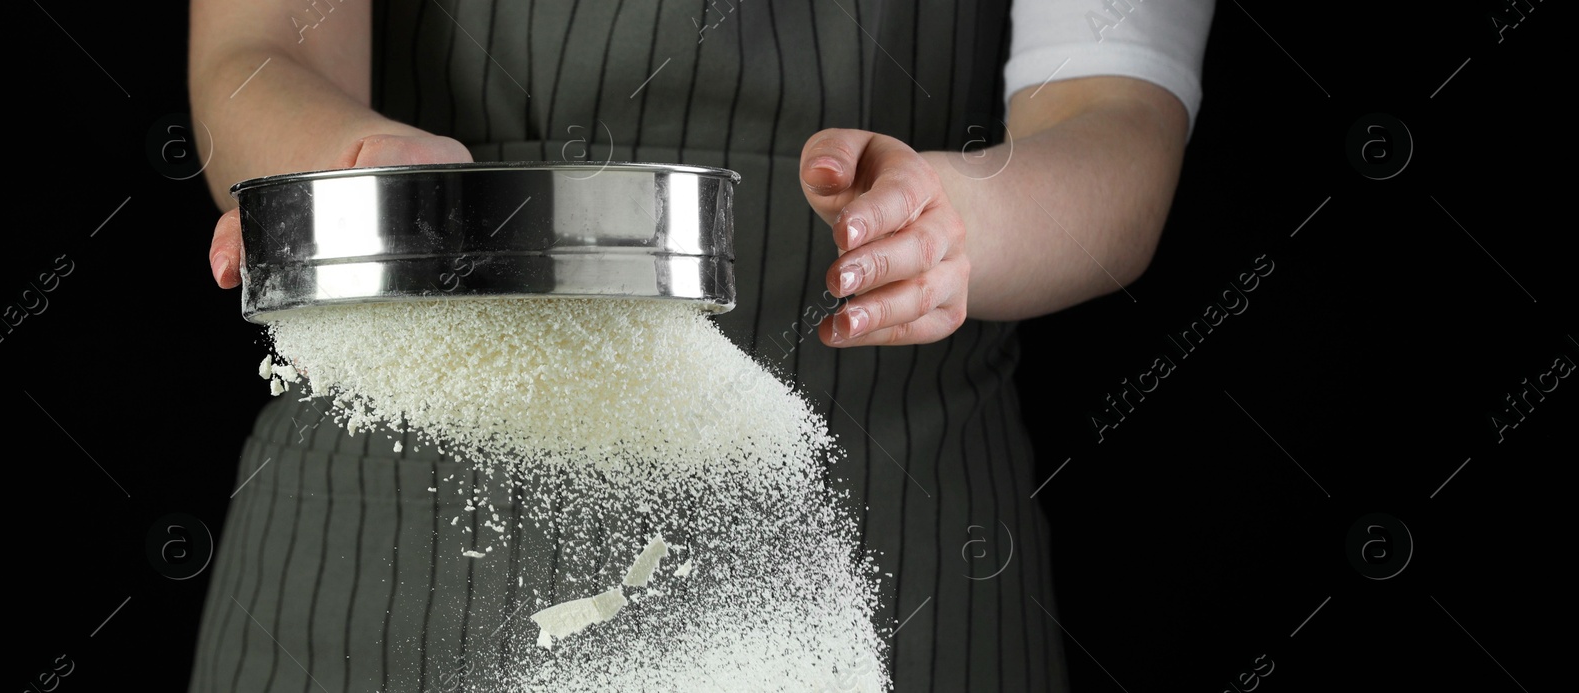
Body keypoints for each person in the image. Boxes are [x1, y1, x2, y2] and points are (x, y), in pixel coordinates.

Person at [187, 0, 1213, 690]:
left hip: (885, 564)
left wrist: (956, 225)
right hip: (365, 565)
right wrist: (357, 177)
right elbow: (260, 48)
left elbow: (1112, 121)